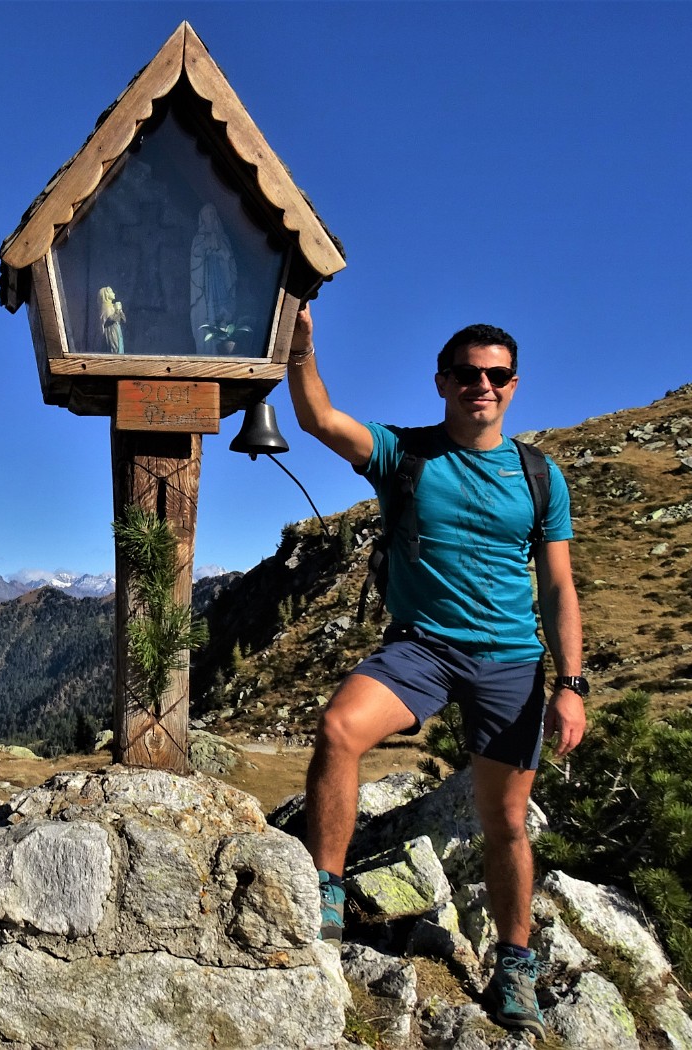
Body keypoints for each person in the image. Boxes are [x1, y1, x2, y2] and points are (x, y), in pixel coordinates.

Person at [285, 303, 586, 1039]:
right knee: (337, 729)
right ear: (442, 383)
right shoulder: (405, 453)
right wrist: (300, 350)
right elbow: (320, 418)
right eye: (467, 374)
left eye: (496, 375)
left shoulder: (540, 477)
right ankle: (325, 890)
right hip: (421, 647)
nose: (481, 385)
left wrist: (573, 685)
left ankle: (513, 964)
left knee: (505, 820)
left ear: (513, 386)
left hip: (511, 662)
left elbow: (557, 587)